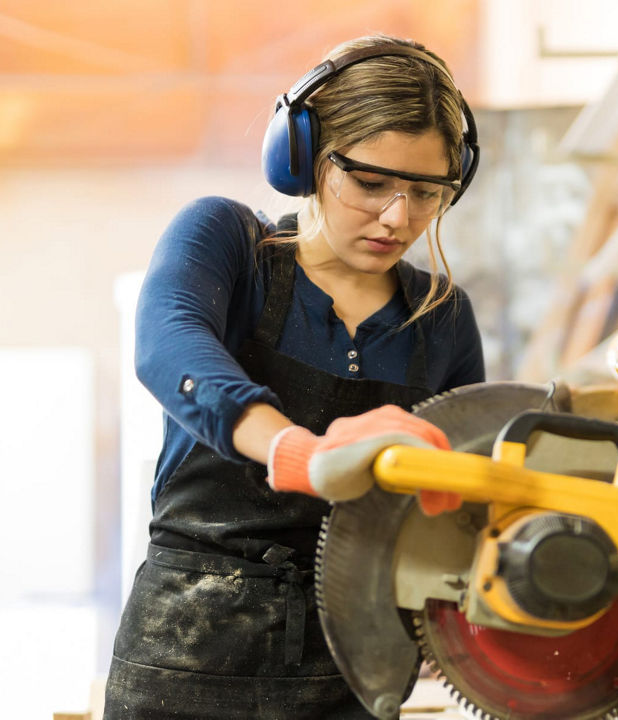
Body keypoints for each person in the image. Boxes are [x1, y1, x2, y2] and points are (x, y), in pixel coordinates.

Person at [103, 35, 486, 719]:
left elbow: (454, 508)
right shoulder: (228, 244)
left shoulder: (444, 320)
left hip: (353, 669)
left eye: (426, 192)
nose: (398, 217)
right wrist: (298, 453)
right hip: (187, 657)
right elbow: (169, 345)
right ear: (304, 156)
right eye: (371, 183)